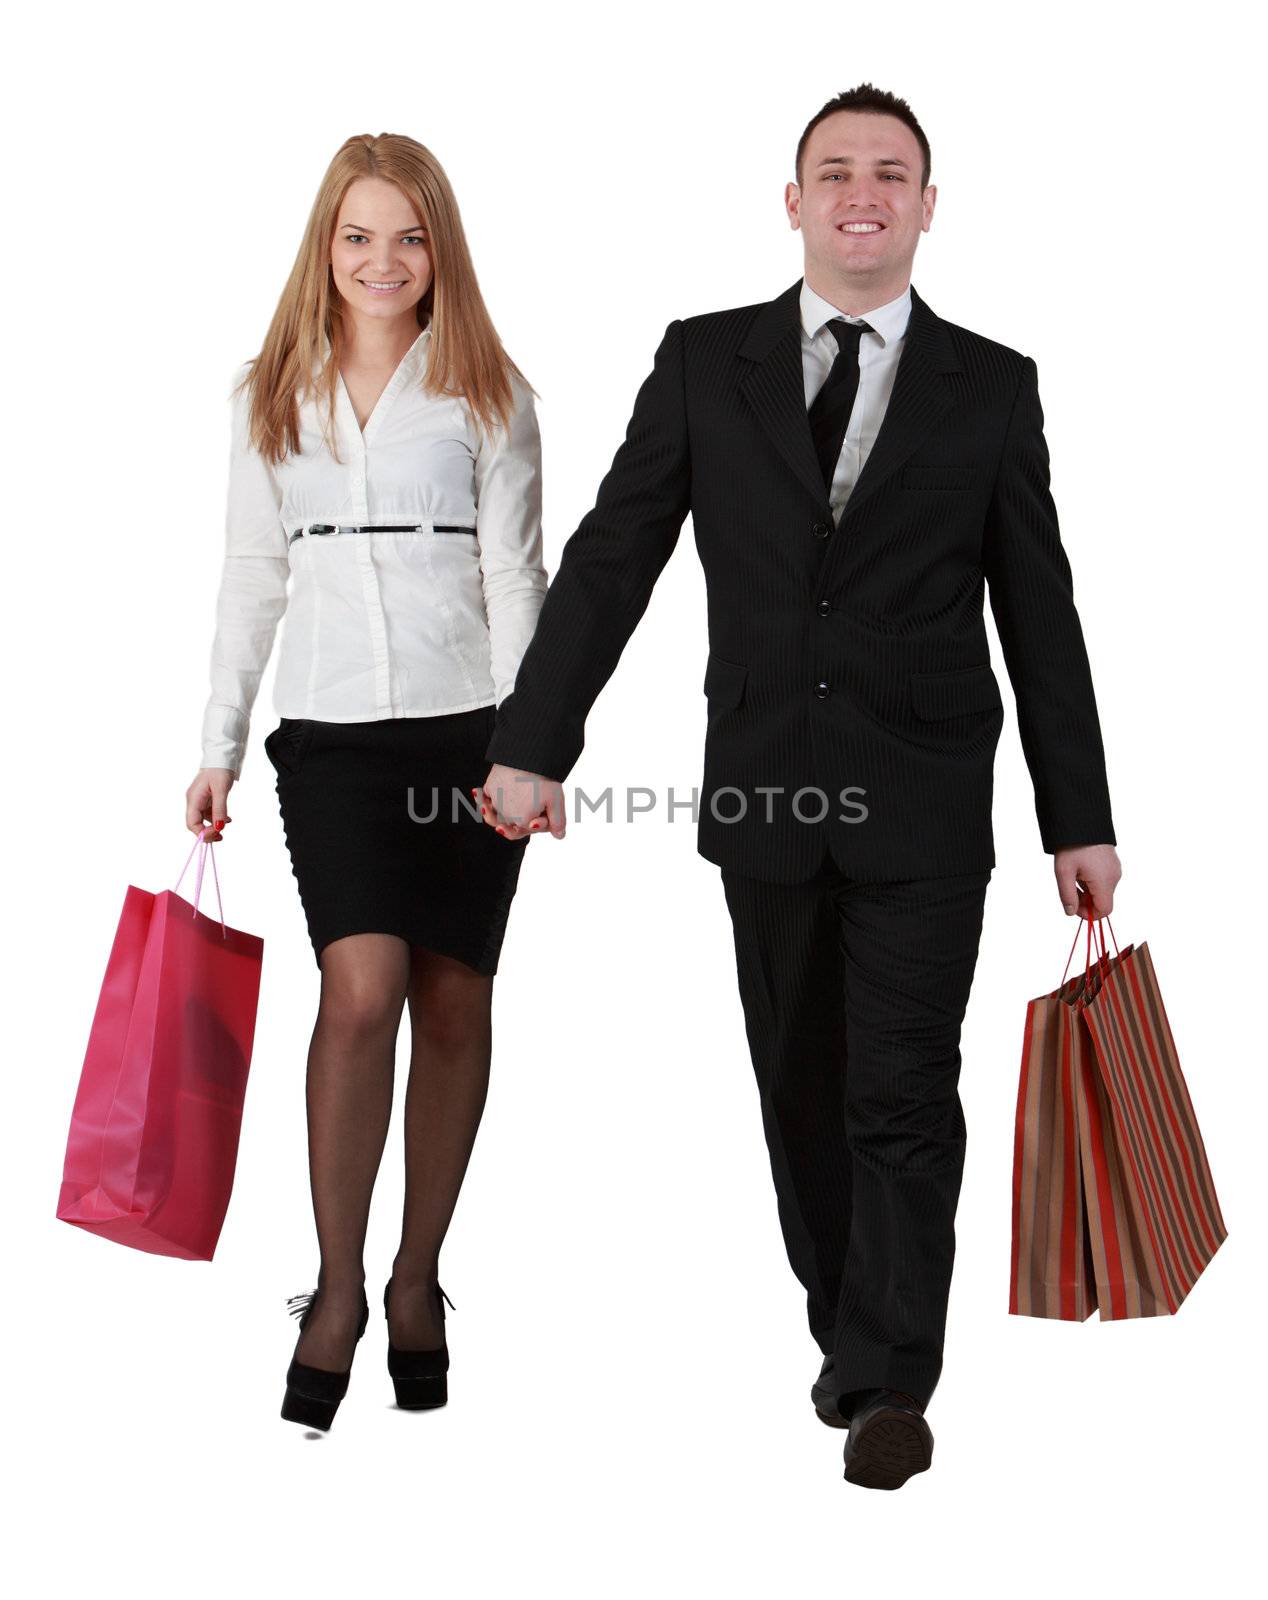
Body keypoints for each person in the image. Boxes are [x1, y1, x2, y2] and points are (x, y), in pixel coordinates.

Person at [478, 83, 1122, 1489]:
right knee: (802, 1089)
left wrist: (1080, 817)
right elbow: (614, 556)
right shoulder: (709, 363)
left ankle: (894, 1379)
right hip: (767, 790)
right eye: (835, 170)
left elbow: (1042, 613)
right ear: (795, 202)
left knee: (900, 1085)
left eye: (892, 172)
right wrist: (535, 737)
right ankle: (848, 1324)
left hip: (928, 795)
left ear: (927, 207)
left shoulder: (991, 386)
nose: (862, 193)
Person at [185, 133, 548, 1432]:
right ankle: (335, 1287)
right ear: (323, 249)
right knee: (362, 989)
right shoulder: (266, 392)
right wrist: (218, 742)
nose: (382, 261)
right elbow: (249, 575)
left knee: (454, 1000)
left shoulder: (490, 395)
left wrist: (533, 743)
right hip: (332, 736)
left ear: (438, 248)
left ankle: (416, 1281)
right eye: (357, 236)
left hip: (471, 737)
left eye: (407, 236)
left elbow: (516, 574)